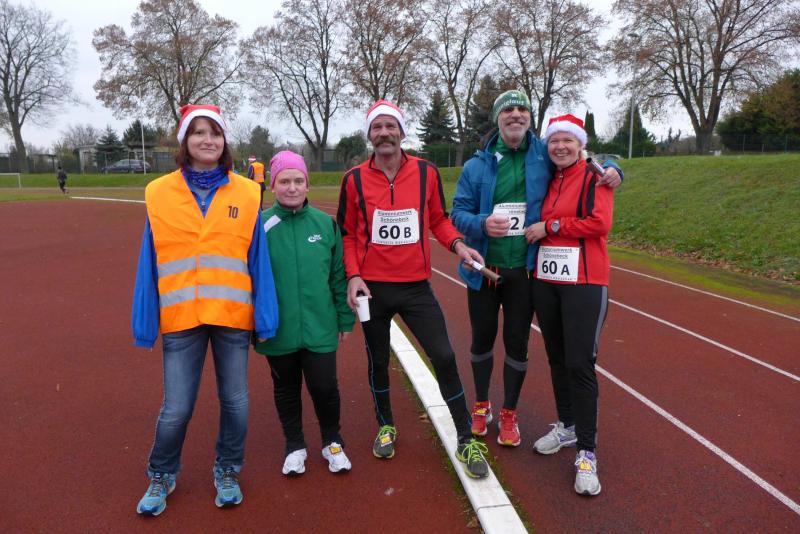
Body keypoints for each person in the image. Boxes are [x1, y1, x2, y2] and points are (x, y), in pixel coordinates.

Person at [131, 104, 279, 515]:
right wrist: (145, 322)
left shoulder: (247, 193)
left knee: (236, 402)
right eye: (198, 132)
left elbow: (258, 260)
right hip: (181, 317)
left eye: (214, 132)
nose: (207, 139)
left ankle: (228, 470)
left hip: (232, 316)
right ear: (185, 141)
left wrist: (266, 318)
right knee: (176, 407)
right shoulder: (159, 193)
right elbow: (149, 261)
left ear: (224, 141)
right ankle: (161, 474)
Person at [451, 91, 621, 448]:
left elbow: (583, 158)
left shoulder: (543, 154)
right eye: (508, 110)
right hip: (483, 268)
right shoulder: (475, 166)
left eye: (522, 109)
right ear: (497, 118)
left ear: (530, 118)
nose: (515, 115)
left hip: (525, 271)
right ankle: (481, 405)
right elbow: (458, 214)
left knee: (518, 343)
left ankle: (509, 412)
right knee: (482, 340)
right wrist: (482, 224)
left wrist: (614, 170)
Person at [336, 99, 491, 479]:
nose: (384, 133)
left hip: (415, 287)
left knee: (444, 355)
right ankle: (386, 425)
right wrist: (353, 276)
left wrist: (459, 245)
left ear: (402, 132)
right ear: (370, 135)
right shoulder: (353, 179)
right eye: (377, 127)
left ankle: (465, 438)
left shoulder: (426, 172)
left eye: (390, 126)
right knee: (377, 360)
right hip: (373, 290)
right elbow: (348, 234)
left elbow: (438, 219)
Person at [525, 114, 614, 496]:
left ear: (580, 145)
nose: (560, 146)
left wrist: (552, 226)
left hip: (585, 282)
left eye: (568, 140)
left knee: (580, 364)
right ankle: (567, 426)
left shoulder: (596, 176)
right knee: (557, 359)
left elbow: (600, 223)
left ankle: (587, 452)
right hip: (548, 281)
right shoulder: (548, 176)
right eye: (554, 141)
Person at [254, 150, 355, 476]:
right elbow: (248, 278)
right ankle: (294, 445)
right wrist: (253, 324)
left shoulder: (325, 225)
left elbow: (338, 277)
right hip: (277, 328)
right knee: (286, 388)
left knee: (325, 387)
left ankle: (332, 441)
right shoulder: (260, 226)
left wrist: (345, 317)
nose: (292, 187)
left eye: (298, 180)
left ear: (307, 185)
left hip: (319, 325)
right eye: (284, 181)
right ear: (273, 185)